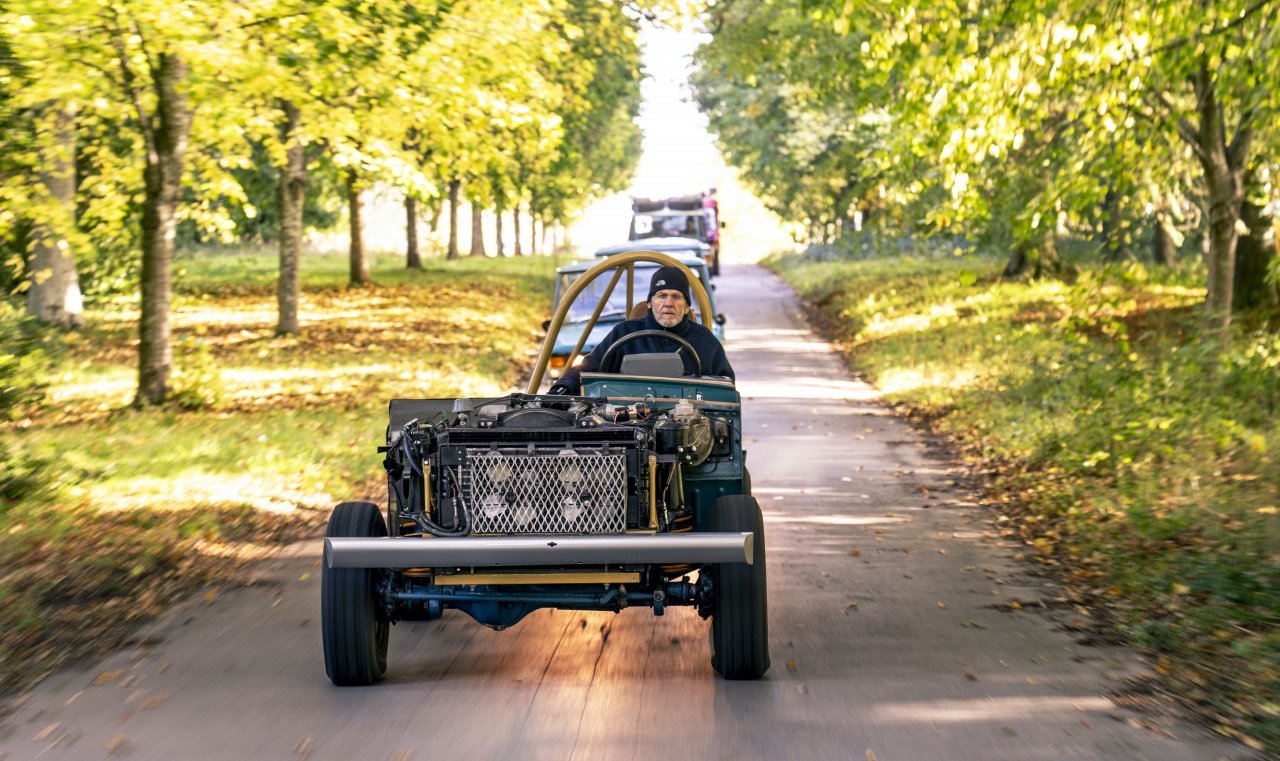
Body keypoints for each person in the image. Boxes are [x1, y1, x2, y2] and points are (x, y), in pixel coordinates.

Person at [548, 265, 733, 396]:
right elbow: (588, 368)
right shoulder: (624, 334)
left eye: (676, 297)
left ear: (686, 307)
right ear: (650, 304)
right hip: (627, 426)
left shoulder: (705, 342)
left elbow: (727, 387)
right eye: (661, 295)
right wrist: (563, 386)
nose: (668, 303)